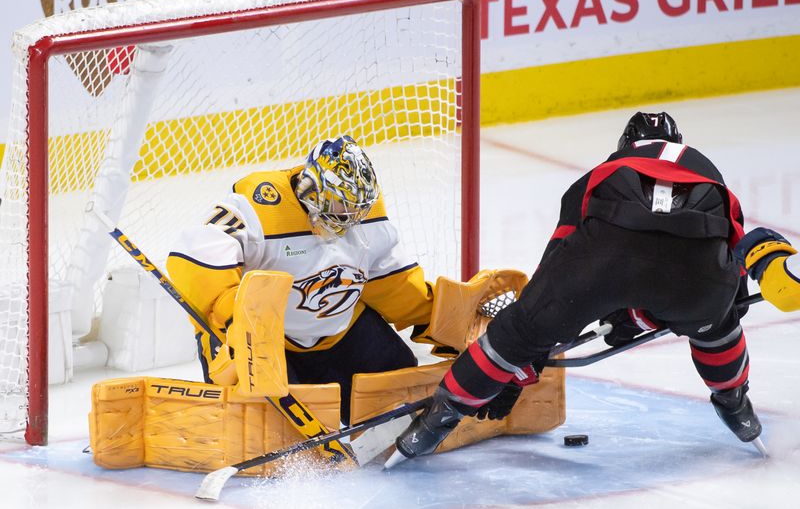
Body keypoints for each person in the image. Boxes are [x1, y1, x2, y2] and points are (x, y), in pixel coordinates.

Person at [392, 112, 761, 462]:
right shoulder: (710, 173)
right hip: (695, 279)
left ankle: (435, 421)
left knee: (518, 330)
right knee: (719, 326)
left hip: (605, 260)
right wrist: (691, 316)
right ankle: (734, 402)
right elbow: (736, 275)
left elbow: (557, 261)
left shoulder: (604, 171)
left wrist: (525, 349)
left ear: (625, 144)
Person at [166, 135, 446, 424]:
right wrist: (235, 319)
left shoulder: (363, 212)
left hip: (339, 331)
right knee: (259, 423)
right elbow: (193, 255)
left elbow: (392, 283)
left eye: (355, 211)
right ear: (311, 189)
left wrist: (439, 320)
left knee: (399, 379)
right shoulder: (261, 203)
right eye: (339, 208)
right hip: (265, 341)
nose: (349, 220)